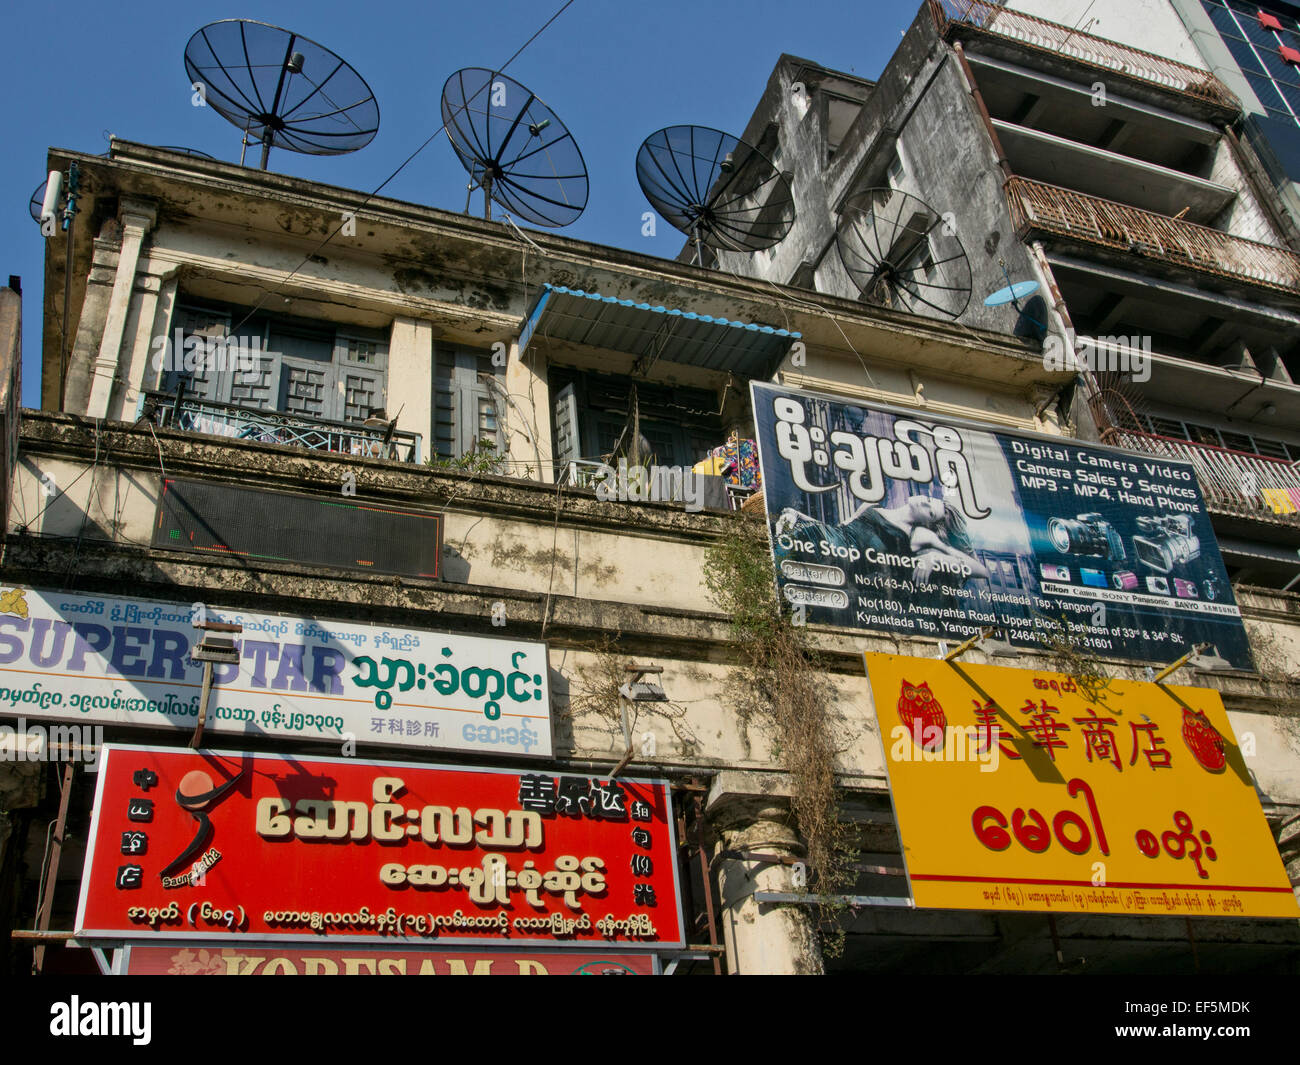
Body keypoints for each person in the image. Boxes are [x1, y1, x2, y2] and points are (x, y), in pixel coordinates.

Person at [776, 493, 989, 588]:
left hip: (831, 567)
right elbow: (837, 530)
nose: (925, 502)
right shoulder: (870, 506)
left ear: (929, 523)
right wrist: (796, 514)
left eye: (931, 512)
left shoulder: (918, 535)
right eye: (931, 500)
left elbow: (981, 570)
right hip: (812, 539)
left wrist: (934, 558)